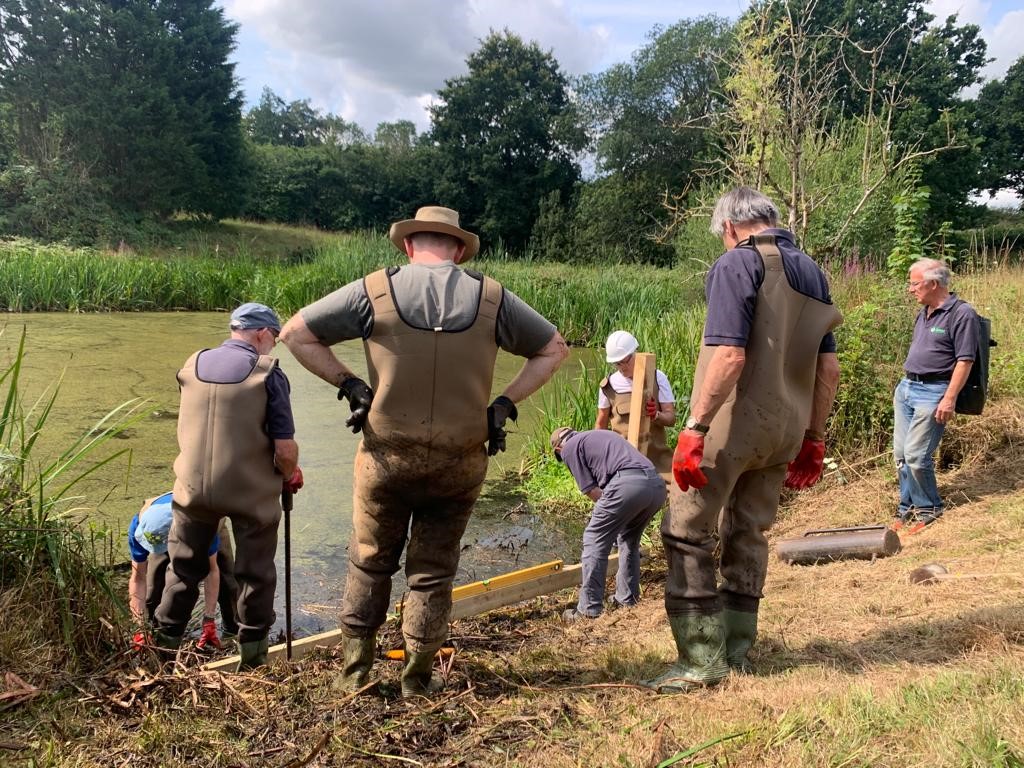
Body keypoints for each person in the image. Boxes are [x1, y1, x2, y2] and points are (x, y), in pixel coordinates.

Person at [280, 205, 568, 697]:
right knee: (433, 572)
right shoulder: (493, 297)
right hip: (460, 461)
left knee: (369, 561)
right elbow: (554, 348)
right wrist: (503, 404)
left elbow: (294, 333)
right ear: (458, 250)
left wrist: (350, 385)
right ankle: (416, 678)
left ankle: (354, 674)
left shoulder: (374, 290)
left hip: (386, 459)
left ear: (410, 245)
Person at [649, 187, 842, 693]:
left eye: (722, 235)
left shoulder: (737, 263)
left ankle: (700, 660)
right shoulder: (812, 270)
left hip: (732, 426)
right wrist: (814, 436)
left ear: (731, 227)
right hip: (786, 430)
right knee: (749, 531)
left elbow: (730, 356)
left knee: (686, 531)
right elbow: (828, 368)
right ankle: (738, 652)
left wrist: (694, 427)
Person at [154, 303, 303, 670]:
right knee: (256, 574)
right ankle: (253, 661)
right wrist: (289, 474)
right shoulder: (268, 373)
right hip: (249, 493)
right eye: (274, 337)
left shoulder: (192, 364)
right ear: (262, 333)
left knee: (182, 569)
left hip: (192, 490)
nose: (273, 345)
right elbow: (285, 449)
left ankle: (162, 653)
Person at [892, 258, 978, 535]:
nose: (910, 289)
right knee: (901, 455)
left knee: (917, 456)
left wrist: (949, 398)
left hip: (933, 392)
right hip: (907, 388)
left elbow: (965, 360)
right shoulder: (925, 311)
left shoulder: (962, 313)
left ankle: (929, 507)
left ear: (933, 283)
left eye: (914, 284)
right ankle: (906, 506)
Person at [550, 427, 667, 621]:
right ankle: (627, 599)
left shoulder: (569, 448)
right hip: (656, 486)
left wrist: (607, 516)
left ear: (558, 449)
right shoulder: (598, 435)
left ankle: (588, 610)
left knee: (594, 538)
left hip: (628, 485)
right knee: (628, 540)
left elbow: (592, 491)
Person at [128, 492, 238, 651]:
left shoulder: (203, 527)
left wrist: (209, 619)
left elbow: (212, 572)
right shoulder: (139, 527)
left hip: (201, 520)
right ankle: (152, 635)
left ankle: (233, 632)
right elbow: (138, 579)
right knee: (153, 587)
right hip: (163, 527)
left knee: (227, 580)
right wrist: (140, 626)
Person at [595, 330, 676, 477]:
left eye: (625, 361)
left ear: (635, 353)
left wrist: (656, 415)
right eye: (617, 363)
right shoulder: (608, 386)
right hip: (622, 461)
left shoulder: (658, 378)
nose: (622, 367)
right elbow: (601, 425)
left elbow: (671, 419)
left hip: (658, 462)